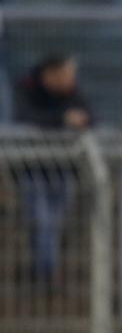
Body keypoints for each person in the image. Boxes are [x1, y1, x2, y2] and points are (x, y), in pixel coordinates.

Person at [14, 55, 92, 284]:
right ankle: (45, 275)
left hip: (63, 169)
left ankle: (46, 271)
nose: (71, 79)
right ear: (52, 74)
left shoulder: (73, 90)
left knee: (55, 224)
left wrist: (81, 120)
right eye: (67, 74)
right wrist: (63, 119)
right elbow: (23, 118)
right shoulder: (26, 87)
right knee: (42, 222)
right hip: (32, 170)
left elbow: (92, 117)